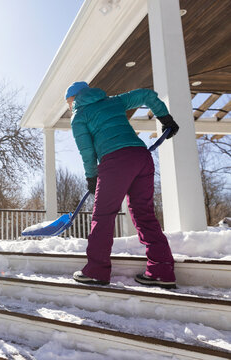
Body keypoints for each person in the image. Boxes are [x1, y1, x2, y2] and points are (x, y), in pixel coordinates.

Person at [65, 81, 179, 289]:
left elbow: (87, 152)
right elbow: (146, 94)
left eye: (68, 102)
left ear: (75, 99)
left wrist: (91, 177)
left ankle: (96, 271)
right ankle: (162, 270)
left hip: (115, 161)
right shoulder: (114, 101)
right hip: (141, 157)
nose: (69, 107)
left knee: (103, 215)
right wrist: (165, 118)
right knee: (144, 214)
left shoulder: (79, 116)